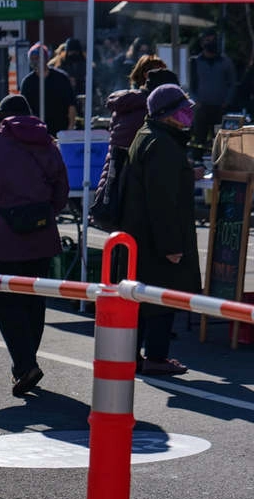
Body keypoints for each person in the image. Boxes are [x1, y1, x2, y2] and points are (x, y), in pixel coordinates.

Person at [0, 94, 68, 396]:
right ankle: (27, 360)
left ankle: (25, 364)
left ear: (1, 118)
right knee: (34, 298)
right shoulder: (49, 144)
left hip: (4, 235)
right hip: (43, 235)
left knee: (5, 300)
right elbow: (61, 192)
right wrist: (40, 213)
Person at [120, 84, 201, 376]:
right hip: (156, 239)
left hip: (141, 234)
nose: (187, 115)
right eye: (182, 111)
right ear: (167, 114)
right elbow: (162, 201)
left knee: (143, 300)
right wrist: (171, 246)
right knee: (161, 299)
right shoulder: (163, 145)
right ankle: (155, 356)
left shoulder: (149, 136)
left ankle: (135, 356)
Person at [89, 56, 173, 230]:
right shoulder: (151, 110)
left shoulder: (123, 104)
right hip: (136, 183)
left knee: (122, 243)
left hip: (114, 178)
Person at [188, 29, 235, 161]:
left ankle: (220, 167)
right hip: (201, 108)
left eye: (213, 39)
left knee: (220, 141)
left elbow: (232, 83)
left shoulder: (225, 62)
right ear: (202, 42)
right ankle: (197, 164)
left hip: (220, 107)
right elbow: (190, 84)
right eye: (207, 40)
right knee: (199, 140)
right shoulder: (195, 62)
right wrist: (195, 101)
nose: (211, 42)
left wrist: (227, 101)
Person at [21, 43, 76, 136]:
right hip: (36, 131)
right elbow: (23, 110)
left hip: (60, 130)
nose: (35, 61)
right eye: (32, 59)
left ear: (45, 59)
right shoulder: (27, 82)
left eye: (37, 58)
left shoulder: (61, 78)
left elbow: (71, 104)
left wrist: (71, 127)